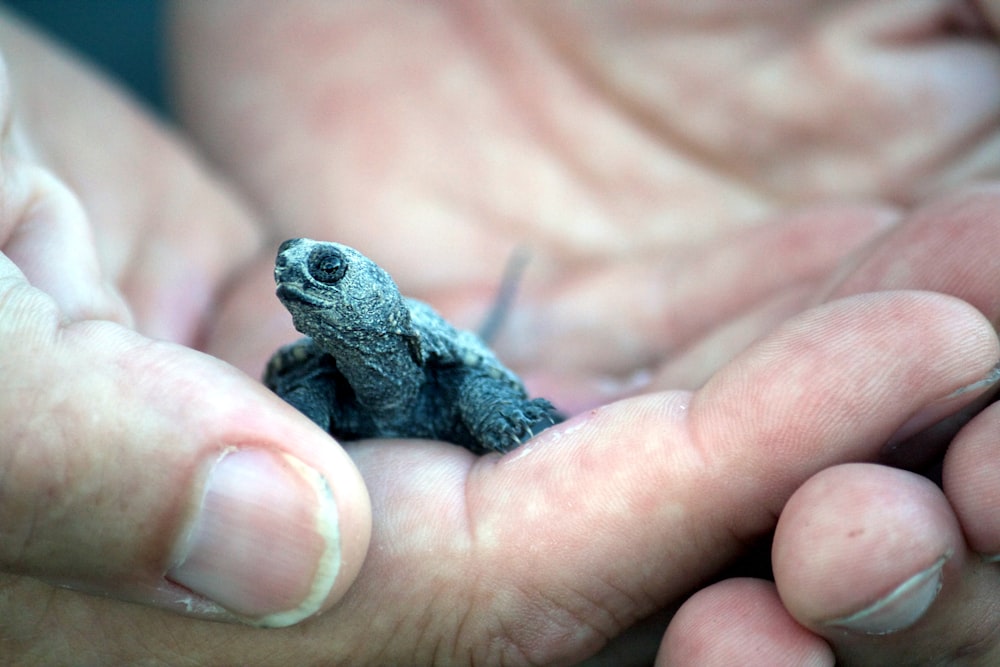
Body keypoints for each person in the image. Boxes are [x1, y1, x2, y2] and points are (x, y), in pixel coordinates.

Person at [1, 1, 998, 664]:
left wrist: (523, 422)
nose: (298, 275)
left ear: (374, 294)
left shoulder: (431, 364)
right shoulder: (317, 371)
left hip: (444, 382)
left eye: (328, 266)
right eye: (294, 270)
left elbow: (470, 383)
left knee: (500, 414)